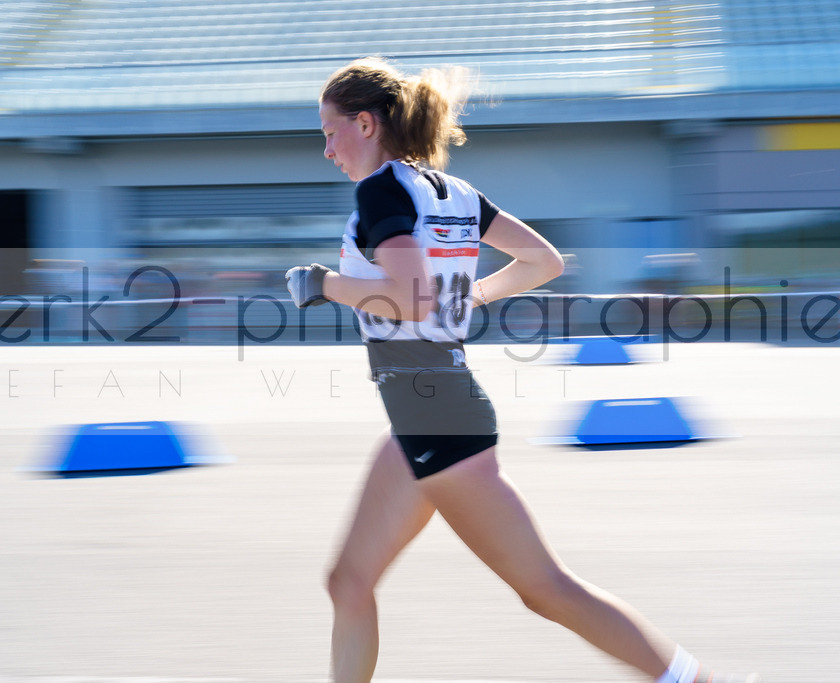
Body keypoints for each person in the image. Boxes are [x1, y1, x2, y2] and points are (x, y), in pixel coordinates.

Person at [285, 57, 759, 683]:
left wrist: (322, 283)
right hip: (431, 410)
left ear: (366, 124)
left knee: (545, 588)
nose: (326, 149)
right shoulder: (451, 192)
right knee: (348, 581)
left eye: (329, 131)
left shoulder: (381, 192)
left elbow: (413, 296)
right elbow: (543, 261)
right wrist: (471, 297)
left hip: (435, 419)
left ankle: (693, 680)